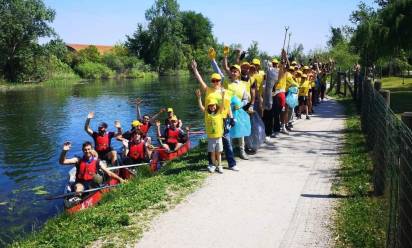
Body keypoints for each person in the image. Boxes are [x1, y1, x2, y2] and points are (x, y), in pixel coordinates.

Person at [192, 56, 238, 171]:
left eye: (217, 80)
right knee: (212, 144)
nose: (215, 82)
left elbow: (227, 106)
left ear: (220, 81)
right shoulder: (208, 90)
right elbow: (200, 80)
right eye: (213, 80)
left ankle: (231, 164)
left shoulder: (225, 91)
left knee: (226, 142)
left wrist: (231, 117)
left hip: (223, 120)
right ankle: (212, 164)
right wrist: (195, 69)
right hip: (211, 119)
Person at [59, 141, 125, 195]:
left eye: (89, 149)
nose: (87, 151)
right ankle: (77, 198)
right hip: (81, 183)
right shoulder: (78, 160)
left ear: (92, 149)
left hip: (92, 182)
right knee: (78, 189)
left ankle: (95, 192)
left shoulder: (97, 161)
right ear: (82, 150)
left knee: (98, 180)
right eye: (85, 150)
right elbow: (62, 162)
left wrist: (120, 179)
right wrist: (64, 151)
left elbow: (109, 172)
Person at [195, 89, 225, 173]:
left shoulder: (219, 112)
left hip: (218, 137)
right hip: (211, 137)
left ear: (216, 105)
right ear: (208, 106)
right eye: (210, 105)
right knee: (212, 153)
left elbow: (222, 105)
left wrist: (222, 96)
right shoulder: (206, 113)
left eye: (214, 105)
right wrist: (199, 98)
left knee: (218, 153)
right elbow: (201, 106)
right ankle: (213, 165)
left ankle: (219, 165)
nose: (212, 107)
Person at [262, 58, 279, 142]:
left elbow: (274, 88)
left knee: (269, 116)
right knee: (265, 117)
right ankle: (264, 133)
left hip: (270, 99)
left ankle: (268, 133)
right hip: (263, 99)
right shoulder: (264, 76)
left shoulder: (275, 74)